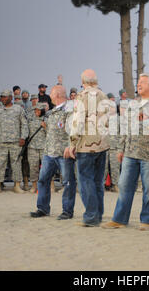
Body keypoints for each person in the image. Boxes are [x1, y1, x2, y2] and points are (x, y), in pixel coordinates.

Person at [101, 73, 149, 230]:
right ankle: (119, 219)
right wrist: (121, 148)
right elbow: (125, 127)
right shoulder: (133, 104)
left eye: (142, 82)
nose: (139, 84)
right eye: (138, 82)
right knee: (124, 185)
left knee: (148, 188)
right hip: (130, 152)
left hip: (148, 153)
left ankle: (146, 220)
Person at [65, 69, 110, 227]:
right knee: (98, 181)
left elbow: (77, 121)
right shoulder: (104, 96)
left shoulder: (82, 96)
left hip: (86, 145)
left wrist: (72, 143)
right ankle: (98, 214)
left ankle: (91, 216)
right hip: (102, 144)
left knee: (86, 181)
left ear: (83, 82)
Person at [31, 85, 77, 220]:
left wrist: (71, 147)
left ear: (57, 95)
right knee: (43, 180)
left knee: (68, 182)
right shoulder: (51, 112)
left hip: (64, 153)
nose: (49, 95)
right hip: (49, 152)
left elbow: (73, 131)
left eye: (51, 93)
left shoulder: (69, 111)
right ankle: (42, 208)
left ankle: (67, 211)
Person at [0, 89, 29, 194]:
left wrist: (23, 137)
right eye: (1, 97)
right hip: (1, 142)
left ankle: (17, 185)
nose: (3, 99)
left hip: (16, 142)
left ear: (11, 97)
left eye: (5, 97)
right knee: (0, 164)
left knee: (16, 164)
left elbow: (24, 124)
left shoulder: (18, 109)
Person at [26, 104, 47, 194]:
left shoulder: (47, 120)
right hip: (32, 147)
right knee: (33, 167)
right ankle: (34, 186)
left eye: (38, 110)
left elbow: (52, 134)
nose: (36, 112)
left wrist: (46, 127)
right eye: (35, 110)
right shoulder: (30, 121)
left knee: (47, 168)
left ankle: (50, 185)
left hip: (44, 147)